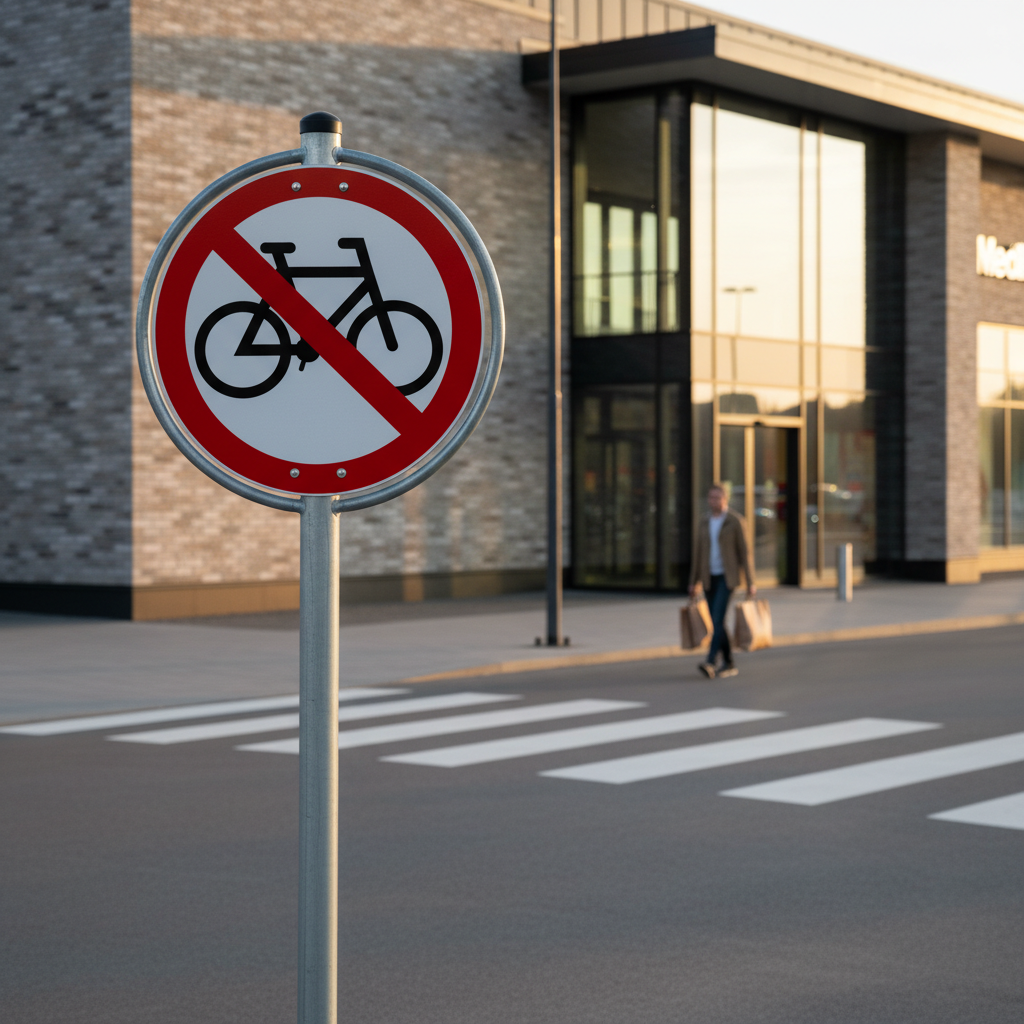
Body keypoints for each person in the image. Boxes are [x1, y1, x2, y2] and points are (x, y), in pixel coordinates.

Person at [688, 483, 756, 678]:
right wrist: (693, 581)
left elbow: (745, 553)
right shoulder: (704, 521)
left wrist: (751, 582)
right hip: (708, 577)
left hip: (727, 578)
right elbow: (698, 554)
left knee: (718, 619)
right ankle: (729, 663)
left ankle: (711, 661)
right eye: (711, 497)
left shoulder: (735, 521)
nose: (714, 501)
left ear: (725, 499)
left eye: (717, 498)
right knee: (717, 622)